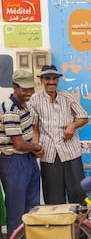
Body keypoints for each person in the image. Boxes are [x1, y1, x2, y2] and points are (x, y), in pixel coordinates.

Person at [29, 65, 89, 205]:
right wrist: (35, 148)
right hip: (49, 154)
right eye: (47, 78)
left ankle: (80, 226)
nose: (51, 81)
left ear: (58, 80)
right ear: (42, 80)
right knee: (53, 198)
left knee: (78, 194)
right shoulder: (35, 100)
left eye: (54, 78)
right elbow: (35, 129)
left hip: (70, 152)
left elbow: (84, 117)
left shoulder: (67, 97)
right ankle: (59, 226)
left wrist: (72, 126)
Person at [0, 70, 44, 238]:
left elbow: (31, 130)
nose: (28, 93)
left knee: (32, 207)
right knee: (16, 209)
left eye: (30, 89)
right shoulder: (10, 108)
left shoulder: (25, 105)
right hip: (13, 161)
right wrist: (37, 147)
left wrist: (34, 148)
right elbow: (18, 144)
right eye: (24, 89)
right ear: (15, 87)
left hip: (26, 158)